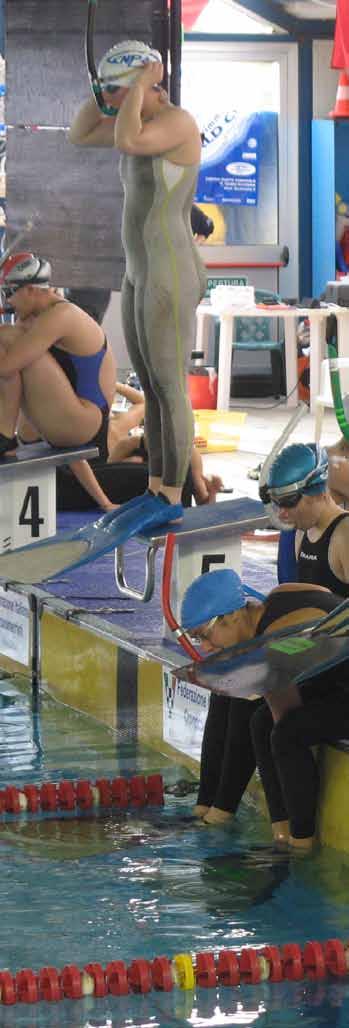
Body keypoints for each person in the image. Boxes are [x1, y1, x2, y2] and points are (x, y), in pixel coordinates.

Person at [69, 40, 207, 533]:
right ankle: (153, 487)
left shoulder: (178, 122)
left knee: (171, 388)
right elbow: (80, 131)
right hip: (141, 270)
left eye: (123, 91)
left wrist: (138, 85)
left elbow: (126, 141)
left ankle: (172, 492)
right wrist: (104, 91)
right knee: (149, 385)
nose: (117, 100)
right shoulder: (140, 119)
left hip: (170, 270)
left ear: (149, 85)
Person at [180, 568, 349, 850]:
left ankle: (300, 846)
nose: (206, 647)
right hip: (337, 676)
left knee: (286, 734)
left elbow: (282, 719)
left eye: (205, 636)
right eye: (198, 640)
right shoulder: (279, 596)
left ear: (233, 615)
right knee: (260, 720)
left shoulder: (276, 638)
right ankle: (276, 830)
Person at [0, 251, 117, 510]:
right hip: (73, 421)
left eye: (9, 292)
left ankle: (5, 437)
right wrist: (105, 503)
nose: (7, 301)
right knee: (7, 339)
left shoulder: (62, 316)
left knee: (7, 340)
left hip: (84, 421)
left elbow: (7, 367)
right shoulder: (37, 316)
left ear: (30, 289)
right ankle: (6, 438)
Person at [267, 443, 349, 595]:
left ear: (318, 493)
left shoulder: (345, 535)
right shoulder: (302, 531)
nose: (281, 514)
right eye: (278, 503)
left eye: (289, 503)